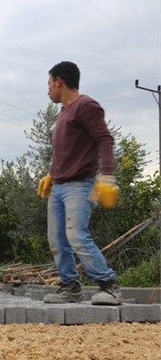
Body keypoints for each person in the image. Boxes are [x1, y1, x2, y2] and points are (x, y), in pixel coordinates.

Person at [38, 61, 121, 305]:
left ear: (59, 82)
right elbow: (65, 151)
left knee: (77, 236)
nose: (48, 90)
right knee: (57, 240)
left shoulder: (86, 106)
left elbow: (104, 140)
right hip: (60, 186)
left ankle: (110, 286)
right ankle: (70, 287)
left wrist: (107, 177)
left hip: (79, 185)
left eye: (49, 84)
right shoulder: (64, 113)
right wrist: (51, 174)